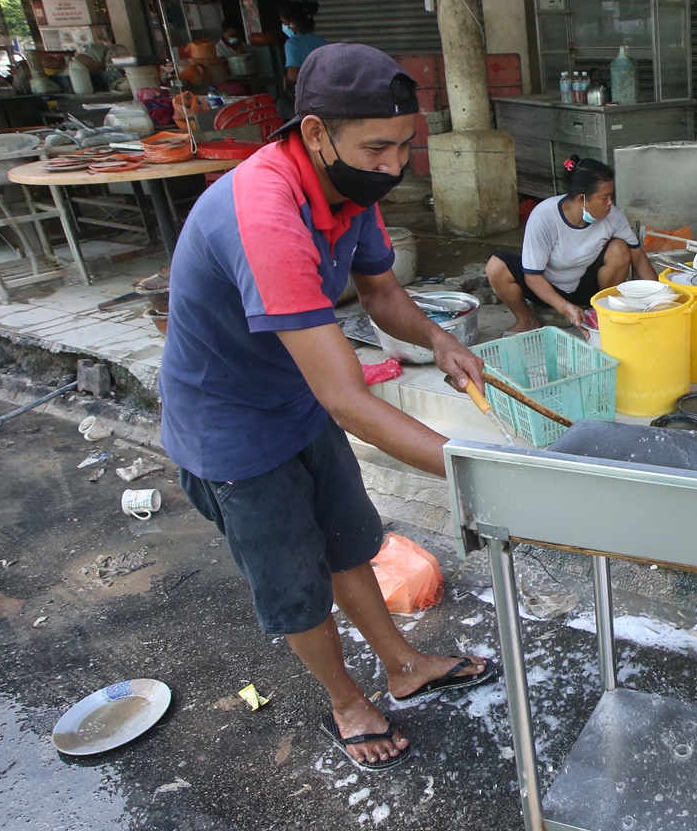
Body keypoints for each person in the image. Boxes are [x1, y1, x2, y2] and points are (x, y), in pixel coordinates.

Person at [158, 43, 498, 772]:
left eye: (405, 146)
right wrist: (480, 470)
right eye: (376, 146)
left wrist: (439, 339)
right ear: (315, 133)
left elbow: (381, 295)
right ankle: (348, 702)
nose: (393, 165)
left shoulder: (351, 192)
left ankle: (403, 665)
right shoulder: (266, 212)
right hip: (229, 426)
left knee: (349, 542)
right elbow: (346, 397)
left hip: (295, 397)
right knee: (297, 579)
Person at [486, 156, 654, 333]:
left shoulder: (613, 216)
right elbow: (532, 276)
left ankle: (601, 311)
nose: (610, 203)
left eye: (611, 196)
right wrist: (566, 308)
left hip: (585, 287)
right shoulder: (544, 216)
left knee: (620, 248)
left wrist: (660, 297)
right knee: (496, 266)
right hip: (545, 289)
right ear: (582, 200)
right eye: (604, 198)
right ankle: (527, 320)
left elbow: (638, 256)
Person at [279, 0, 327, 86]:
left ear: (292, 22)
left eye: (284, 23)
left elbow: (294, 76)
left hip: (307, 95)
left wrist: (287, 78)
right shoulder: (322, 41)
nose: (284, 26)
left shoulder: (292, 43)